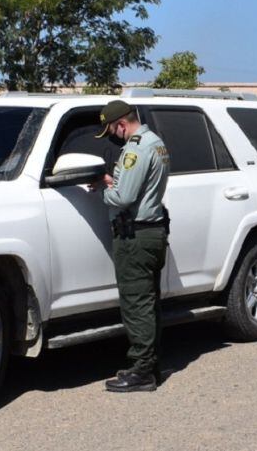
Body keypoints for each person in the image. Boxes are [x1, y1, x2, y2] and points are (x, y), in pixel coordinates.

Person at [91, 100, 171, 391]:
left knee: (136, 303)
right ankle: (150, 364)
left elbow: (123, 198)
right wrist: (115, 181)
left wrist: (103, 188)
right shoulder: (154, 143)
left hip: (135, 236)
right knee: (149, 302)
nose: (114, 136)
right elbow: (139, 185)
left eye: (112, 130)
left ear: (122, 124)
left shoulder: (135, 149)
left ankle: (141, 372)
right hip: (152, 232)